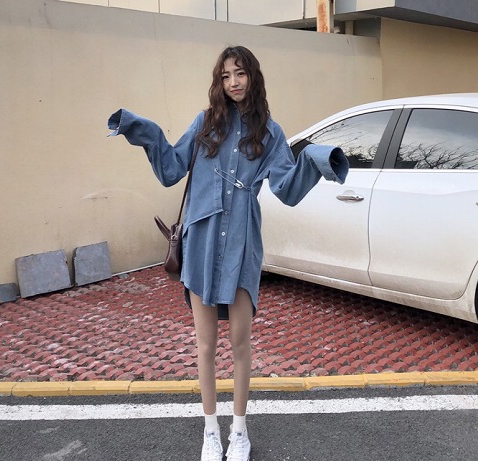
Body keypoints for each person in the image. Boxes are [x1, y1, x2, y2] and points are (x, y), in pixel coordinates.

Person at [108, 45, 348, 461]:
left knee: (240, 344)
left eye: (240, 73)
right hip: (201, 243)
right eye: (225, 75)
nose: (233, 82)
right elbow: (171, 168)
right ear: (218, 82)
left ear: (253, 77)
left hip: (241, 244)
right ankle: (210, 432)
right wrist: (141, 130)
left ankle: (239, 432)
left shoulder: (269, 133)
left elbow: (287, 189)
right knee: (205, 346)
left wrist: (313, 158)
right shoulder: (205, 124)